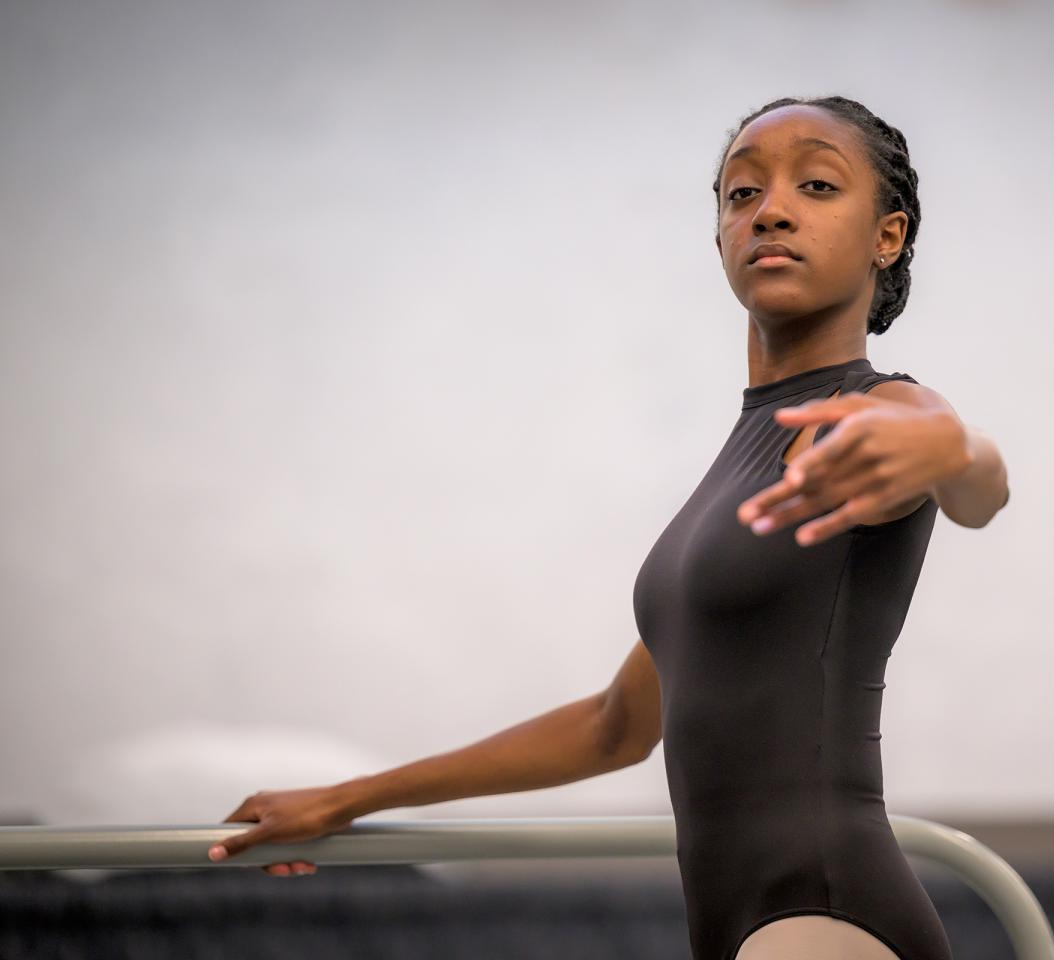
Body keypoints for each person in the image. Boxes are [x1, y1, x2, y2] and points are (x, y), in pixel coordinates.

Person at [207, 95, 1010, 960]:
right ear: (718, 240)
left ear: (885, 238)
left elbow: (975, 479)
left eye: (816, 184)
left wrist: (949, 447)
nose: (771, 208)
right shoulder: (742, 455)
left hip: (825, 910)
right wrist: (346, 798)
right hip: (742, 922)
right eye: (742, 194)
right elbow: (612, 727)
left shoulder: (874, 413)